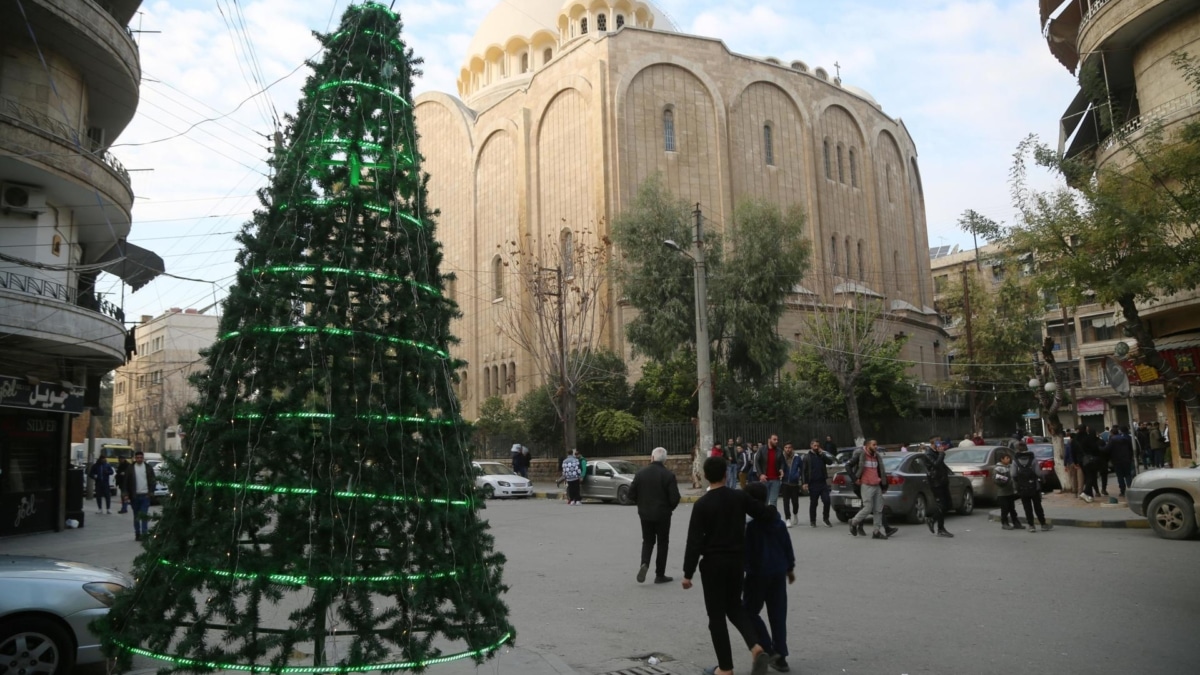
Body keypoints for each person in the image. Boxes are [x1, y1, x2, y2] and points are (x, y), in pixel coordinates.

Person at [681, 457, 773, 675]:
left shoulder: (702, 505)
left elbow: (694, 541)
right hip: (736, 562)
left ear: (705, 476)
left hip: (713, 565)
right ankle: (756, 646)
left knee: (716, 617)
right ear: (725, 474)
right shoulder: (739, 497)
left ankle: (725, 668)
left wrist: (687, 573)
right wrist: (774, 515)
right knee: (735, 608)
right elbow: (762, 512)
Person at [741, 482, 795, 674]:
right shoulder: (778, 522)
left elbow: (746, 554)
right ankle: (781, 655)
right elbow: (786, 546)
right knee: (778, 614)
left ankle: (768, 649)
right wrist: (790, 568)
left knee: (748, 611)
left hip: (757, 574)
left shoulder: (751, 527)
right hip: (778, 572)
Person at [628, 447, 682, 584]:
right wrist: (669, 508)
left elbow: (631, 494)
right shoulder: (668, 475)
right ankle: (660, 574)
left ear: (651, 458)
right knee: (663, 543)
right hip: (663, 515)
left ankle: (644, 563)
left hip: (645, 514)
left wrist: (641, 504)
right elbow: (675, 498)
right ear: (665, 460)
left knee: (647, 541)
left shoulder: (640, 473)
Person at [847, 440, 892, 540]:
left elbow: (881, 472)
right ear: (867, 446)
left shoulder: (877, 457)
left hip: (877, 486)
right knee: (868, 508)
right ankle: (853, 522)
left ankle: (876, 532)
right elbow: (848, 466)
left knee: (879, 509)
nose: (876, 446)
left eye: (876, 444)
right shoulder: (861, 455)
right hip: (866, 485)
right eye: (874, 445)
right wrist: (855, 479)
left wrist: (884, 485)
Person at [1013, 443, 1052, 532]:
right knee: (1038, 506)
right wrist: (1043, 475)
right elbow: (1038, 473)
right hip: (1034, 487)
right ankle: (1043, 524)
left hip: (1022, 487)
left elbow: (1013, 474)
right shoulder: (1033, 459)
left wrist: (1018, 481)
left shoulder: (1015, 460)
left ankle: (1031, 526)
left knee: (1027, 507)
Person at [923, 441, 955, 537]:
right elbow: (936, 464)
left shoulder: (936, 453)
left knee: (948, 505)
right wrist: (941, 453)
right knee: (941, 505)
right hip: (936, 483)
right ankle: (940, 529)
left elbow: (942, 466)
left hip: (943, 482)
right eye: (939, 444)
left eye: (941, 444)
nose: (941, 446)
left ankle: (932, 519)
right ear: (933, 444)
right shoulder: (928, 454)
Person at [122, 450, 156, 541]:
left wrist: (151, 492)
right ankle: (138, 533)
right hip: (135, 496)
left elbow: (153, 481)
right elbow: (125, 482)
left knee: (144, 515)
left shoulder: (148, 468)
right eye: (137, 458)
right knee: (136, 516)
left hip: (145, 496)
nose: (139, 459)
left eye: (141, 457)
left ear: (143, 458)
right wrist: (125, 494)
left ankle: (144, 534)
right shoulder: (130, 468)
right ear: (135, 458)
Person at [801, 439, 835, 528]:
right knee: (814, 503)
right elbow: (803, 471)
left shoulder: (821, 455)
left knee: (827, 501)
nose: (816, 448)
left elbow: (830, 462)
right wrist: (804, 483)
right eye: (815, 446)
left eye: (818, 446)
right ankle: (813, 520)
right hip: (813, 483)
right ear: (811, 446)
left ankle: (826, 519)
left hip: (822, 483)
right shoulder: (807, 457)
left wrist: (822, 454)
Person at [993, 449, 1023, 530]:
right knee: (1005, 509)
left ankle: (1016, 522)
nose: (1008, 460)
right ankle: (1004, 523)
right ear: (1002, 459)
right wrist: (1007, 481)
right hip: (1002, 492)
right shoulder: (998, 468)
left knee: (1012, 509)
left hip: (1010, 492)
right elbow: (996, 479)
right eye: (1006, 458)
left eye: (1009, 458)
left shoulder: (1010, 467)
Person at [1103, 426, 1135, 497]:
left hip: (1117, 460)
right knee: (1128, 475)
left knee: (1120, 476)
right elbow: (1131, 448)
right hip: (1126, 459)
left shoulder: (1112, 440)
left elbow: (1106, 449)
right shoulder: (1126, 439)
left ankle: (1122, 491)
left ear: (1112, 433)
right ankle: (1130, 489)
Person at [778, 443, 802, 528]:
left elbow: (802, 469)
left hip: (794, 483)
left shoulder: (797, 457)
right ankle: (787, 519)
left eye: (789, 447)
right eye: (786, 447)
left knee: (795, 502)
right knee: (786, 502)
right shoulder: (781, 457)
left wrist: (798, 476)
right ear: (783, 448)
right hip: (784, 483)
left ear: (792, 448)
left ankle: (795, 514)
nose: (788, 449)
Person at [754, 434, 783, 507]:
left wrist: (781, 469)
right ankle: (765, 517)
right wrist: (760, 474)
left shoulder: (779, 450)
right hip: (765, 479)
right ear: (769, 440)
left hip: (776, 479)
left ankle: (773, 517)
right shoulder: (762, 450)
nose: (776, 441)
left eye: (777, 440)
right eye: (774, 439)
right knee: (764, 501)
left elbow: (782, 462)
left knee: (773, 501)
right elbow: (757, 461)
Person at [1077, 425, 1100, 503]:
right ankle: (1085, 492)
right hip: (1091, 461)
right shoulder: (1091, 440)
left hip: (1085, 461)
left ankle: (1089, 495)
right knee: (1091, 477)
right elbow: (1095, 450)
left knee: (1088, 477)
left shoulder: (1082, 439)